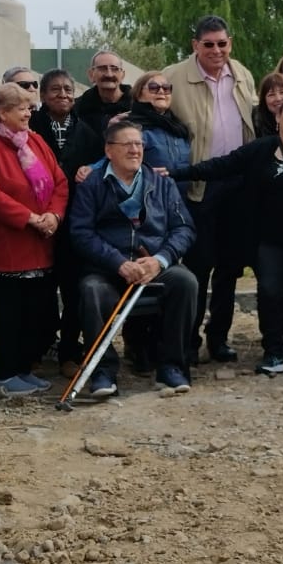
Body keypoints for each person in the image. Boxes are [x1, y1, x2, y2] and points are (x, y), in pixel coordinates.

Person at [172, 96, 283, 376]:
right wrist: (178, 173)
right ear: (278, 118)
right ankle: (273, 351)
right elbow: (221, 165)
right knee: (270, 293)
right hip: (268, 239)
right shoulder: (261, 149)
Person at [68, 120, 198, 397]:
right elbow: (81, 233)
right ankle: (102, 371)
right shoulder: (91, 184)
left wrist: (161, 260)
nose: (135, 150)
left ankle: (172, 367)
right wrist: (118, 263)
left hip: (152, 265)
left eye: (139, 144)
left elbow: (183, 228)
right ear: (108, 150)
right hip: (107, 268)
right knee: (91, 290)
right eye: (127, 144)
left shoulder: (162, 183)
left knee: (185, 282)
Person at [0, 85, 69, 396]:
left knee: (32, 314)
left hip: (39, 243)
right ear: (1, 112)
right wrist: (29, 218)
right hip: (4, 246)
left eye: (29, 107)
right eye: (21, 108)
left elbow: (59, 182)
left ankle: (24, 369)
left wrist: (54, 215)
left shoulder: (34, 141)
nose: (28, 113)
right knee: (7, 314)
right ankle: (5, 374)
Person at [164, 16, 257, 362]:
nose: (216, 50)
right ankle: (189, 340)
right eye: (209, 44)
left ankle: (219, 338)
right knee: (198, 267)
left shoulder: (243, 74)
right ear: (195, 46)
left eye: (222, 43)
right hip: (198, 187)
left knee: (230, 268)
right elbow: (150, 111)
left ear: (230, 43)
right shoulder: (173, 76)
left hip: (238, 184)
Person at [30, 69, 91, 376]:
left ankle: (70, 351)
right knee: (40, 292)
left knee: (73, 290)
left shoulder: (87, 131)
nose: (63, 95)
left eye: (68, 89)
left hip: (75, 222)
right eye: (55, 90)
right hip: (38, 221)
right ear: (42, 96)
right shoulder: (30, 127)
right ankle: (38, 349)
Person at [252, 72, 283, 139]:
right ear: (264, 99)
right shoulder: (255, 119)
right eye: (271, 94)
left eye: (282, 92)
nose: (278, 98)